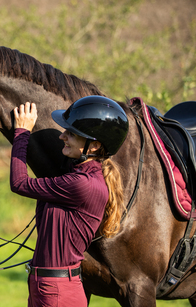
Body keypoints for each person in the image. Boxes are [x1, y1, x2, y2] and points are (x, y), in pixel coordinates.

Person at [10, 95, 129, 307]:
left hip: (57, 291)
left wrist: (21, 133)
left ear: (93, 146)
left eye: (71, 134)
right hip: (45, 286)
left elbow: (19, 183)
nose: (62, 136)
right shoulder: (76, 176)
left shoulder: (83, 184)